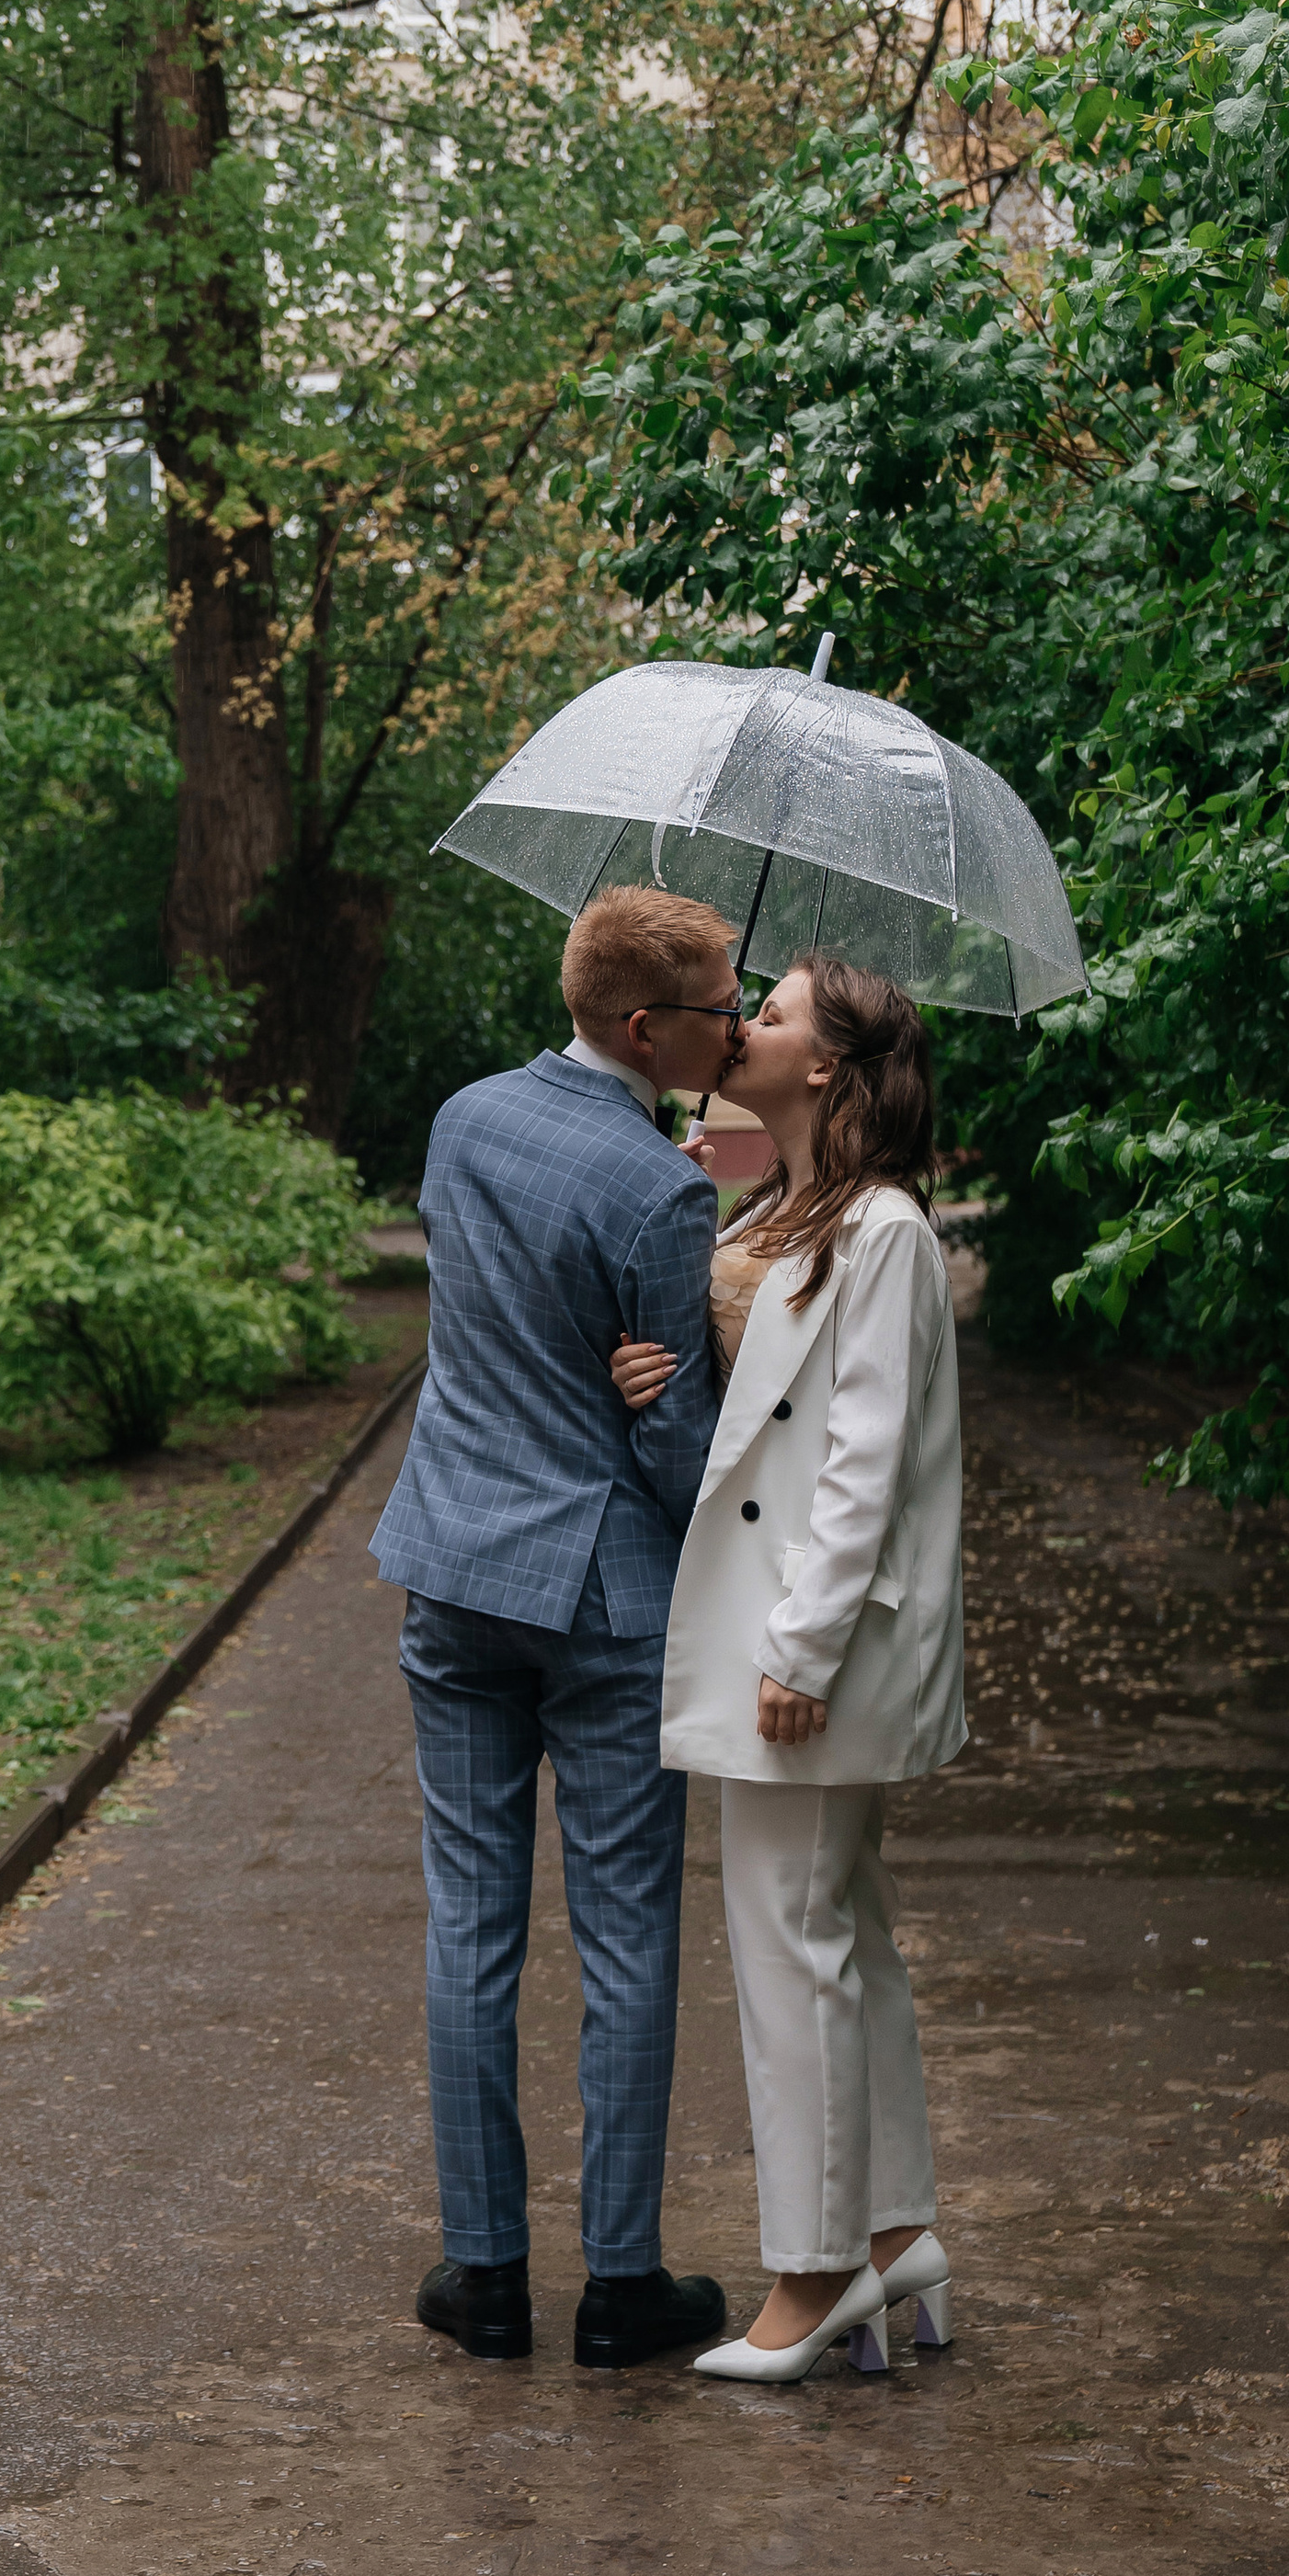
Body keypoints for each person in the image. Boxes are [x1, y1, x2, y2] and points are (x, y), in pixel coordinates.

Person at [371, 885, 747, 2370]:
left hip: (454, 1571)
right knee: (625, 1939)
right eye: (725, 1002)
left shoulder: (465, 1121)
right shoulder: (661, 1193)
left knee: (467, 1924)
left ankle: (480, 2277)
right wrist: (669, 1393)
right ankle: (618, 2288)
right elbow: (682, 1458)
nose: (739, 1017)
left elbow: (476, 1310)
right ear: (649, 1027)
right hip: (601, 1604)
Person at [612, 950, 963, 2383]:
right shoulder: (788, 1203)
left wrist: (803, 1647)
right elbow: (769, 1406)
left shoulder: (878, 1230)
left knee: (788, 1948)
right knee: (846, 1936)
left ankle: (813, 2279)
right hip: (792, 1633)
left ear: (826, 1064)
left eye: (772, 1012)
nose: (745, 1023)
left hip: (812, 1646)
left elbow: (863, 1460)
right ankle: (894, 2241)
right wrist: (666, 1374)